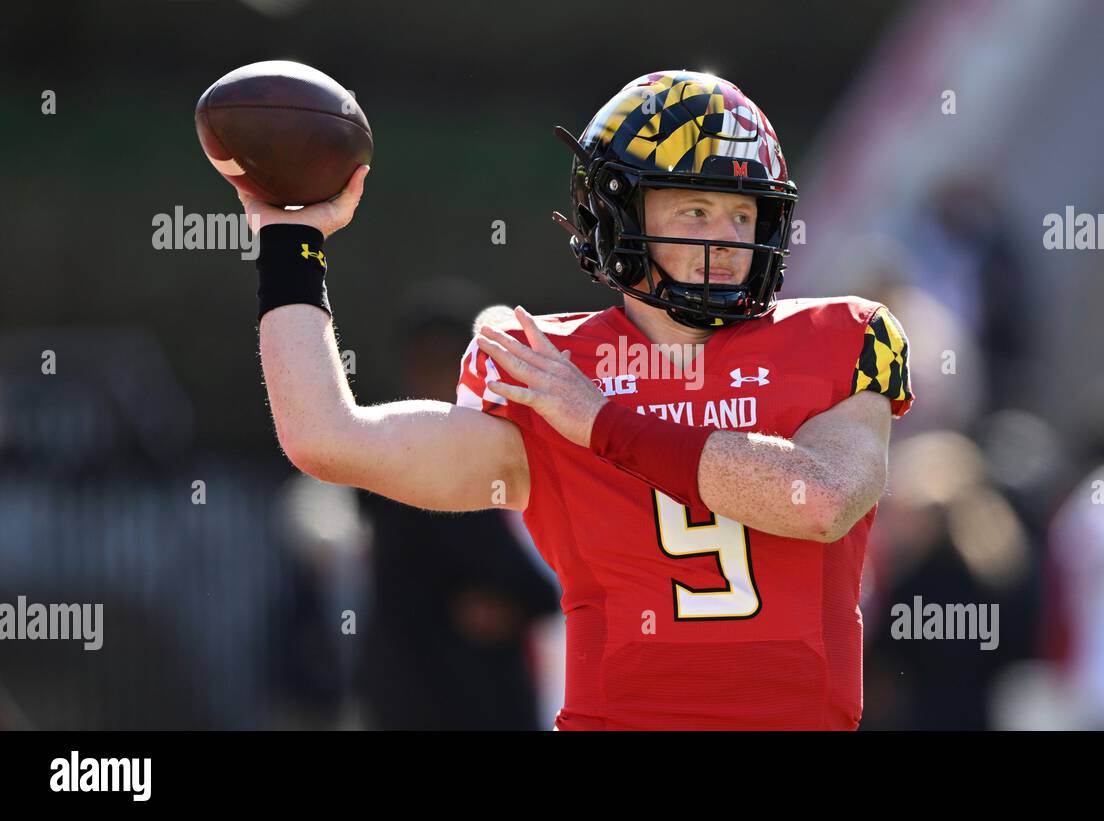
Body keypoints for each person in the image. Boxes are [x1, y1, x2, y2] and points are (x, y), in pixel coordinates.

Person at [240, 70, 915, 730]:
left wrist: (601, 422)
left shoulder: (840, 340)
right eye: (696, 208)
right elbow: (326, 437)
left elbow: (822, 499)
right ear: (619, 214)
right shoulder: (547, 369)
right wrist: (289, 242)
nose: (728, 238)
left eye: (745, 212)